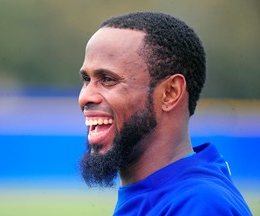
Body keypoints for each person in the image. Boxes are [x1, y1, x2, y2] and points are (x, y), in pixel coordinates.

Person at [78, 12, 252, 215]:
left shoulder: (199, 205)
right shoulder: (157, 194)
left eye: (108, 79)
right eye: (86, 79)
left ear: (170, 93)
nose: (85, 97)